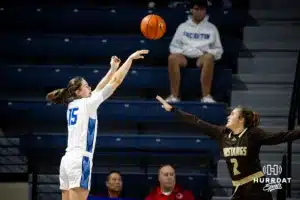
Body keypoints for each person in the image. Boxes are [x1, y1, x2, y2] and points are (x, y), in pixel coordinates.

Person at [46, 49, 149, 200]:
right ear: (79, 91)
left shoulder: (72, 104)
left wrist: (112, 69)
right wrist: (130, 60)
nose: (90, 87)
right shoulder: (88, 103)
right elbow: (116, 82)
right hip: (80, 159)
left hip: (67, 160)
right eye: (87, 86)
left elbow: (99, 87)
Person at [156, 95, 300, 200]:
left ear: (241, 119)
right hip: (238, 187)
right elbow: (197, 122)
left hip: (257, 188)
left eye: (232, 114)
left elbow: (281, 136)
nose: (228, 117)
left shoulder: (253, 134)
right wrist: (173, 110)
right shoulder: (221, 133)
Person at [166, 0, 223, 103]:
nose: (199, 12)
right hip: (184, 57)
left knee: (209, 58)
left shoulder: (212, 28)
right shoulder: (183, 27)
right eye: (197, 9)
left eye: (202, 9)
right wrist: (185, 51)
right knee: (172, 58)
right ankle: (174, 96)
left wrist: (206, 51)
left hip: (201, 57)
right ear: (191, 10)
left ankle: (206, 96)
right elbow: (173, 46)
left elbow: (218, 50)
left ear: (205, 11)